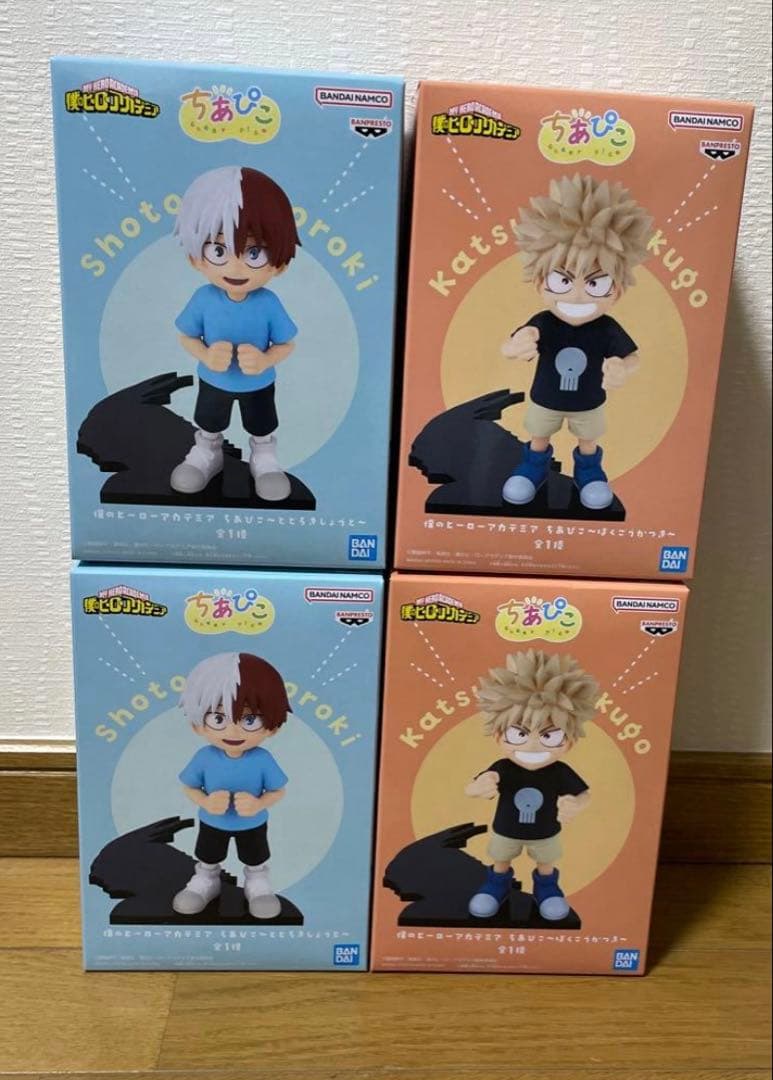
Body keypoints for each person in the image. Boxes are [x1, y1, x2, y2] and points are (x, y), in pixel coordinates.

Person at [502, 174, 651, 510]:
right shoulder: (544, 322)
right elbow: (513, 343)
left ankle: (589, 472)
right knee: (539, 436)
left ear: (618, 289)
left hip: (589, 404)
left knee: (588, 439)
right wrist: (516, 345)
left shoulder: (607, 328)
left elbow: (633, 356)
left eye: (596, 283)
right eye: (562, 281)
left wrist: (622, 368)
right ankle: (533, 467)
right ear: (540, 281)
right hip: (545, 400)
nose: (578, 294)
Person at [171, 166, 300, 501]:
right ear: (195, 257)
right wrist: (205, 355)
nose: (235, 266)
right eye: (219, 251)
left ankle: (264, 457)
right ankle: (207, 451)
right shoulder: (203, 299)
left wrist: (265, 360)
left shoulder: (269, 303)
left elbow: (287, 343)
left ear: (280, 262)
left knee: (261, 423)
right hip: (214, 380)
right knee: (209, 419)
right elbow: (185, 336)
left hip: (259, 383)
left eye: (255, 253)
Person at [466, 649, 597, 921]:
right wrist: (479, 786)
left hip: (546, 833)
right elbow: (472, 787)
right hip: (506, 831)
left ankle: (546, 889)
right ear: (498, 735)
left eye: (550, 735)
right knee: (500, 860)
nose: (533, 745)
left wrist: (576, 804)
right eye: (519, 734)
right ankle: (496, 885)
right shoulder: (503, 768)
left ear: (570, 741)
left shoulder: (559, 772)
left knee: (546, 863)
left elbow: (584, 794)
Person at [173, 651, 290, 919]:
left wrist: (259, 804)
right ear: (197, 724)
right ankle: (206, 880)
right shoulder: (204, 757)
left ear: (272, 726)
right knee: (208, 854)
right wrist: (205, 802)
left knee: (255, 856)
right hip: (212, 822)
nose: (233, 731)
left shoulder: (262, 759)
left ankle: (257, 883)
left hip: (253, 823)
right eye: (218, 719)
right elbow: (188, 786)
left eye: (250, 720)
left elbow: (278, 790)